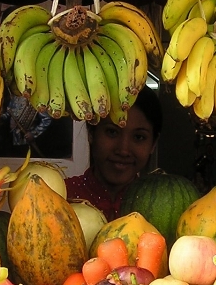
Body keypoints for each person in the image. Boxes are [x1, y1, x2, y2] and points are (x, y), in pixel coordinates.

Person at [65, 86, 163, 221]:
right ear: (91, 133)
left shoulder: (161, 207)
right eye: (112, 132)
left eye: (139, 137)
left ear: (153, 144)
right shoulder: (62, 196)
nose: (123, 150)